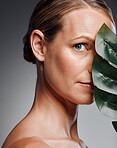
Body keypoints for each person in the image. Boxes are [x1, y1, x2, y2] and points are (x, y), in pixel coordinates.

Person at [2, 0, 116, 148]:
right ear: (40, 46)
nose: (95, 68)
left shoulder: (75, 143)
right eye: (79, 46)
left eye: (104, 51)